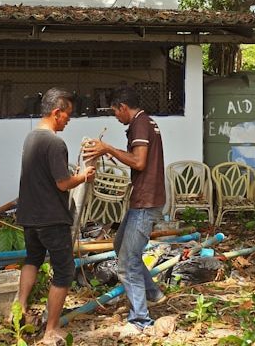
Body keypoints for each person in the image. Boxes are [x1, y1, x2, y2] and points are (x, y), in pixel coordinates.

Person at [83, 86, 166, 336]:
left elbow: (139, 162)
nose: (115, 117)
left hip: (146, 201)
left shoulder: (140, 124)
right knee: (121, 246)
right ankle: (152, 293)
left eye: (115, 112)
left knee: (127, 263)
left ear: (122, 107)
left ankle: (140, 319)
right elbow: (137, 159)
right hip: (142, 198)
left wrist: (107, 149)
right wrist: (115, 153)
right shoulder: (145, 122)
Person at [16, 88, 96, 345]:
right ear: (56, 112)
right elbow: (62, 183)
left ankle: (19, 310)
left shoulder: (31, 138)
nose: (68, 120)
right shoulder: (54, 143)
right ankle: (51, 329)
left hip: (29, 215)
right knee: (64, 271)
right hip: (51, 217)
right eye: (67, 115)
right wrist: (83, 176)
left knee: (32, 259)